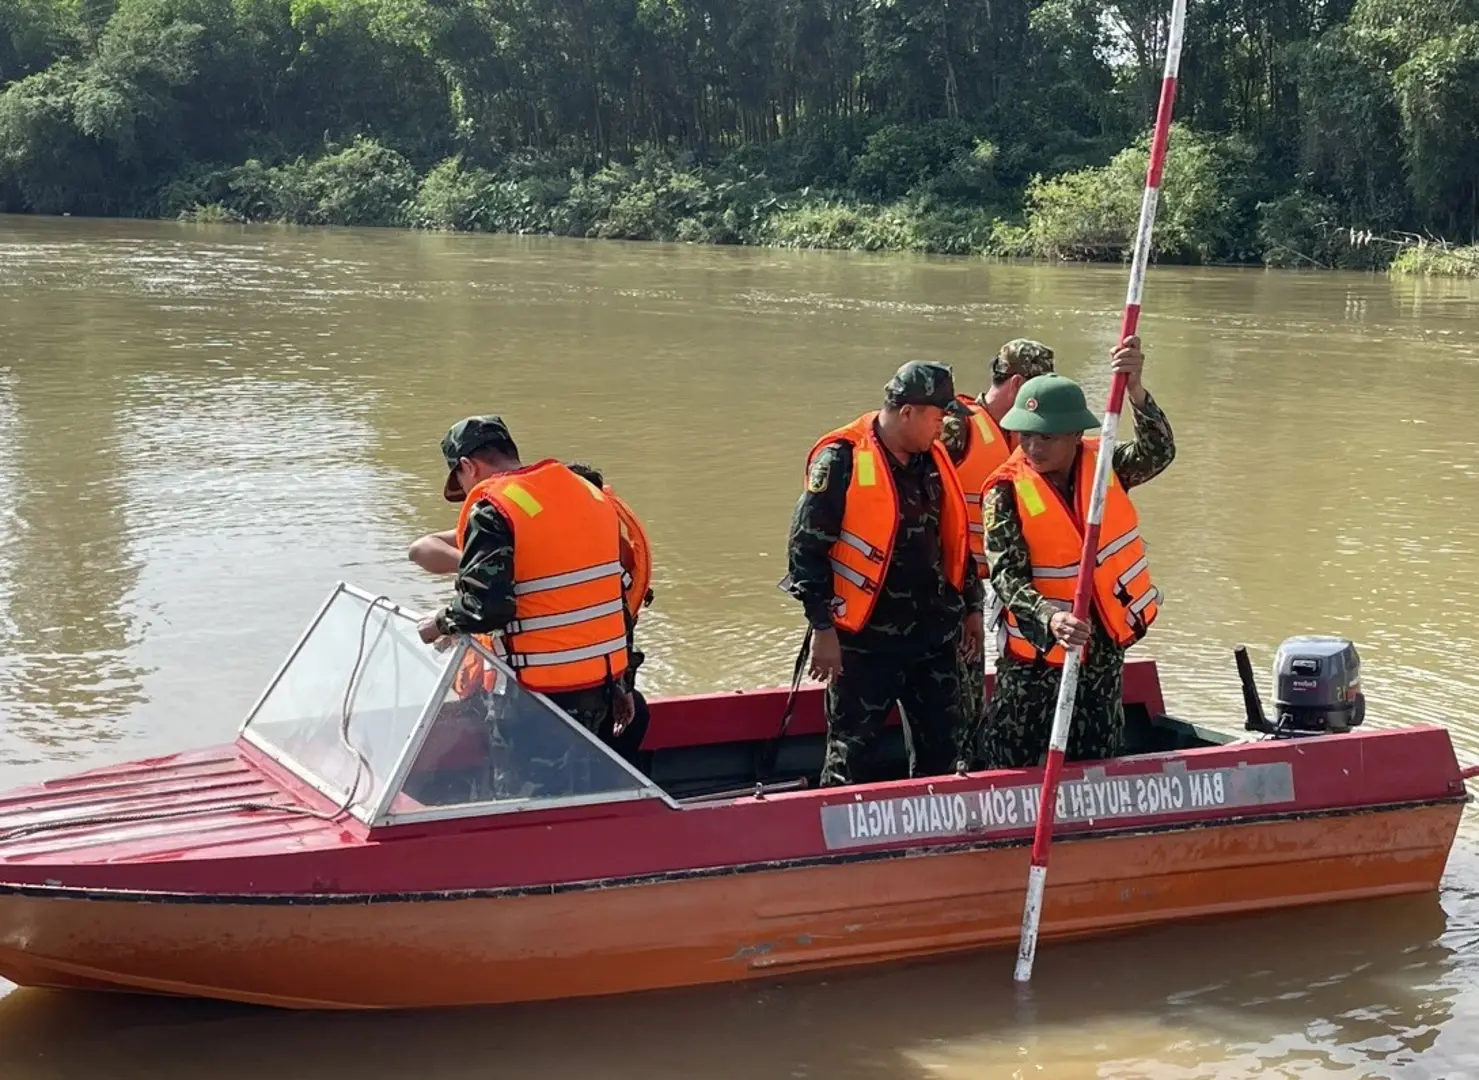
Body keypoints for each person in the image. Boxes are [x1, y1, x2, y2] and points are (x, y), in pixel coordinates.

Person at [783, 361, 984, 788]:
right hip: (864, 644)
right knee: (850, 757)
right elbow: (805, 550)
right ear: (907, 411)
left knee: (943, 754)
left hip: (933, 638)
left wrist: (972, 606)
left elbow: (954, 540)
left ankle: (936, 842)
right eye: (936, 416)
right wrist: (822, 628)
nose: (942, 425)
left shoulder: (934, 459)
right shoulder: (842, 460)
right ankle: (842, 848)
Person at [978, 337, 1175, 768]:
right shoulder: (1004, 491)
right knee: (1015, 757)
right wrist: (1051, 617)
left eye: (1046, 437)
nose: (1033, 447)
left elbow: (1159, 452)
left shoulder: (1104, 463)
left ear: (1075, 434)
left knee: (1097, 755)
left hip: (1100, 645)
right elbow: (1007, 576)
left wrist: (1136, 390)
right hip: (1037, 653)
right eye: (1025, 435)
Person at [416, 416, 636, 795]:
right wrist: (622, 683)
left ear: (468, 467)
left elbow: (487, 608)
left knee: (527, 802)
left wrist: (437, 623)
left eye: (462, 481)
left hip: (536, 698)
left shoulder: (494, 508)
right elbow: (610, 598)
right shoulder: (586, 493)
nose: (467, 490)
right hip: (598, 686)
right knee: (583, 792)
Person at [939, 339, 1057, 758]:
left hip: (987, 586)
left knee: (973, 691)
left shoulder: (1025, 439)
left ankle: (973, 764)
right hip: (945, 584)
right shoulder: (959, 426)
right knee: (955, 696)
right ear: (1019, 383)